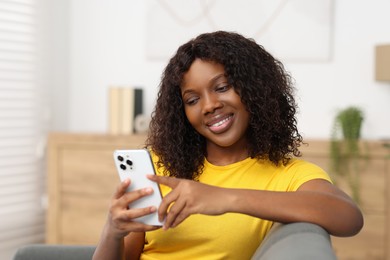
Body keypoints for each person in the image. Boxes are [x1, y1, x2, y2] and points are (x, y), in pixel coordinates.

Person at [93, 31, 363, 260]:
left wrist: (224, 197)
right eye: (192, 100)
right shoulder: (159, 167)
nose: (209, 106)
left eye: (222, 87)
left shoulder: (288, 175)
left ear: (255, 89)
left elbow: (349, 217)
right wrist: (112, 230)